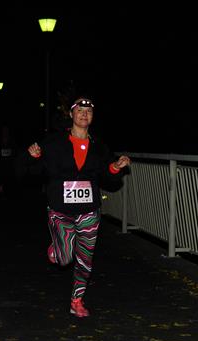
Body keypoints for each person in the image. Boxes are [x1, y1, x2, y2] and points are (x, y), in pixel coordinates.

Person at [22, 96, 131, 317]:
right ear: (71, 114)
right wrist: (34, 157)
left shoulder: (98, 146)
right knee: (64, 258)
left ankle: (77, 300)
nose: (84, 114)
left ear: (92, 117)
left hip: (89, 210)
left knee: (85, 258)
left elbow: (107, 173)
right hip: (60, 209)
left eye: (88, 112)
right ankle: (57, 249)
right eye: (79, 110)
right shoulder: (54, 142)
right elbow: (35, 171)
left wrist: (115, 167)